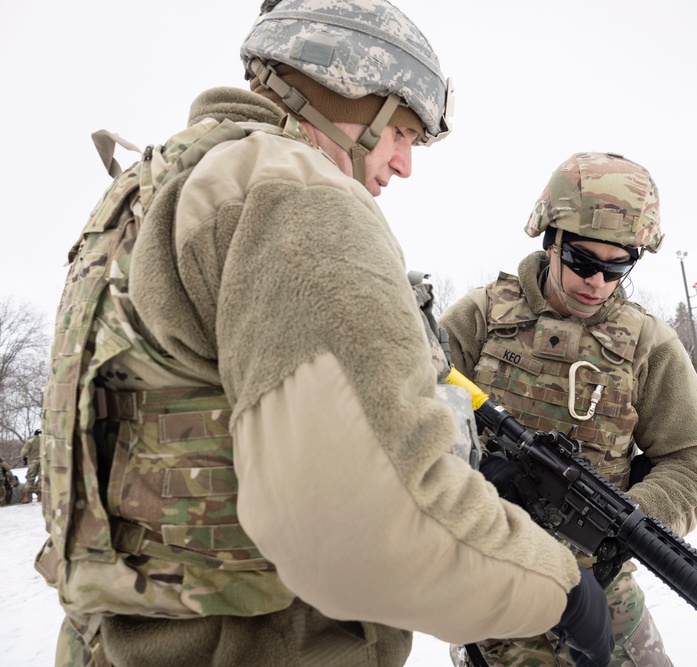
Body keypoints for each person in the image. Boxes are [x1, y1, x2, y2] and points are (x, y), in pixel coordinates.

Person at [35, 2, 612, 666]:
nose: (403, 165)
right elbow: (363, 527)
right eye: (400, 131)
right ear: (342, 89)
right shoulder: (294, 192)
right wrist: (559, 590)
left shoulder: (153, 188)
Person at [440, 152, 697, 666]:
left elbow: (690, 458)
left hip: (602, 593)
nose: (598, 282)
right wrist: (481, 475)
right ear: (551, 243)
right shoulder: (477, 319)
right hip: (493, 591)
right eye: (584, 263)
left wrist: (629, 526)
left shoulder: (649, 345)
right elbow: (412, 427)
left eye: (618, 268)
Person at [20, 429, 41, 503]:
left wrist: (24, 458)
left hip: (32, 462)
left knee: (30, 479)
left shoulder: (30, 441)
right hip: (44, 462)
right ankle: (40, 496)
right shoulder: (47, 441)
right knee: (42, 479)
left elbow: (23, 453)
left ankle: (26, 497)